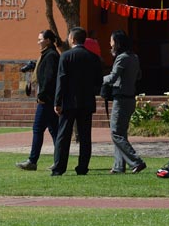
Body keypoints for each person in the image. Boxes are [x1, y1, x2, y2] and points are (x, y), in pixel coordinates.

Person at [51, 27, 103, 176]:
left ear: (72, 39)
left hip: (68, 101)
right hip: (86, 101)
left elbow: (61, 80)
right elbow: (98, 81)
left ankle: (59, 167)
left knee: (63, 136)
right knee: (85, 136)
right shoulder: (93, 57)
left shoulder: (66, 56)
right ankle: (82, 167)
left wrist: (57, 101)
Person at [16, 30, 60, 171]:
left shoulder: (51, 56)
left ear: (47, 40)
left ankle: (32, 160)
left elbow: (49, 78)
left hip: (46, 100)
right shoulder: (47, 55)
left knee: (38, 129)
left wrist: (41, 95)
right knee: (54, 131)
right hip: (49, 99)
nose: (38, 42)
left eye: (40, 39)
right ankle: (59, 160)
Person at [103, 30, 145, 174]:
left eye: (112, 41)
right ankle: (118, 166)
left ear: (118, 43)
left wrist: (100, 79)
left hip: (121, 98)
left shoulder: (122, 58)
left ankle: (136, 161)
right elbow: (138, 75)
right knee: (121, 133)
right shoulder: (134, 57)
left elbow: (113, 77)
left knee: (115, 133)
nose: (110, 44)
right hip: (130, 97)